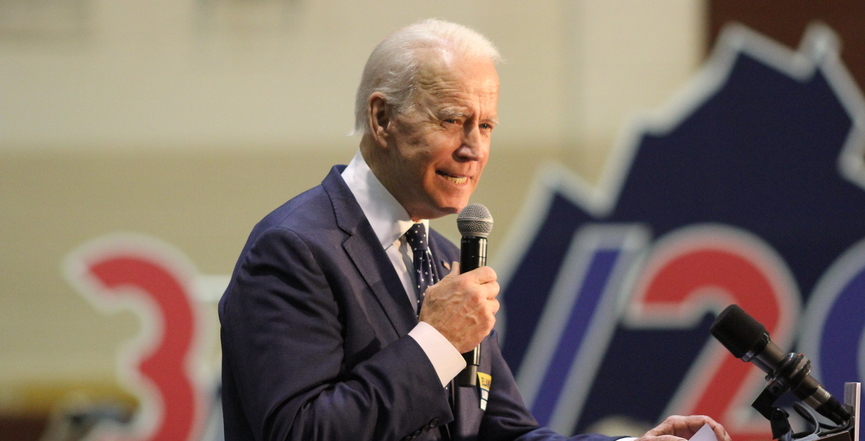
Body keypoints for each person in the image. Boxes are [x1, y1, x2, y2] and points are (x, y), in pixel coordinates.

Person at [219, 18, 733, 441]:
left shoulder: (447, 258)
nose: (474, 148)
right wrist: (437, 340)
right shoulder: (293, 249)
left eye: (485, 126)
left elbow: (503, 434)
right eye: (451, 120)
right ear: (382, 119)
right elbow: (300, 433)